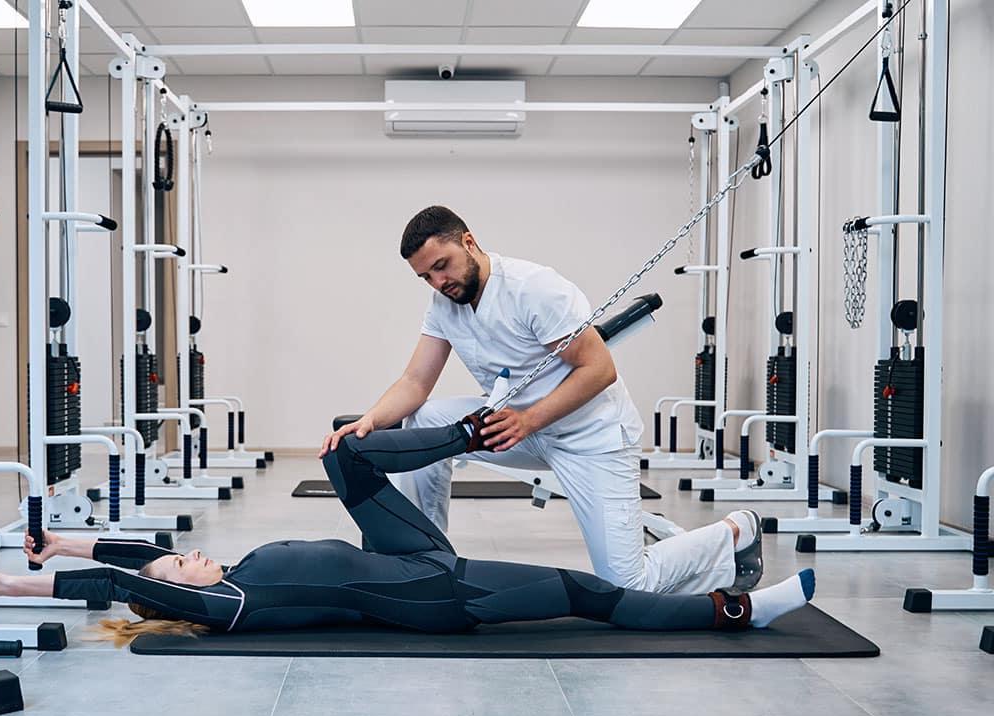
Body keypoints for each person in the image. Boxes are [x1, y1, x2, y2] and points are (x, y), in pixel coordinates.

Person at [0, 422, 813, 643]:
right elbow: (126, 584)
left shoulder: (216, 575)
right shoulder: (225, 604)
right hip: (437, 594)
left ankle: (468, 434)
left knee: (347, 452)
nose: (181, 554)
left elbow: (131, 559)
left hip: (404, 555)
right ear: (179, 595)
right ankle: (741, 612)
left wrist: (58, 542)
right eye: (179, 563)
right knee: (597, 596)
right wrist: (13, 588)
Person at [319, 205, 759, 594]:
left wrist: (529, 421)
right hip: (521, 430)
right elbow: (416, 380)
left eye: (442, 266)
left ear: (468, 243)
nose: (439, 282)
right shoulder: (444, 305)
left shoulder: (534, 288)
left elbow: (600, 369)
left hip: (592, 438)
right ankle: (424, 558)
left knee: (627, 584)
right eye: (426, 277)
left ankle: (733, 534)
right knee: (424, 417)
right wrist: (371, 421)